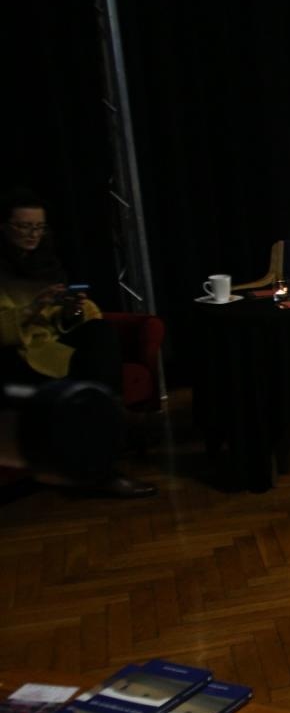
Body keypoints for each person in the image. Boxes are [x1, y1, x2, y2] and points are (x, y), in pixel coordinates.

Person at [1, 191, 153, 498]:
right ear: (4, 227)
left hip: (51, 343)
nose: (33, 235)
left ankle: (109, 416)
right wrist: (32, 308)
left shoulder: (46, 261)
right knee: (90, 366)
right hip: (15, 354)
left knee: (100, 331)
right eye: (24, 227)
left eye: (38, 227)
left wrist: (72, 311)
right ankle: (104, 461)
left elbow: (60, 319)